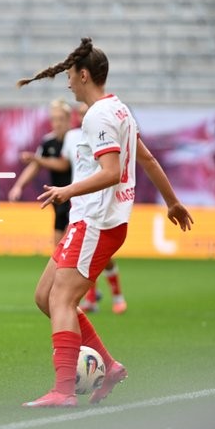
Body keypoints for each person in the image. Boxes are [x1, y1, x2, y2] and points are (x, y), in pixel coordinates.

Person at [16, 37, 192, 407]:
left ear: (83, 75)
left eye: (69, 76)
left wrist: (68, 190)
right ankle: (109, 367)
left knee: (61, 299)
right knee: (44, 298)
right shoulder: (120, 110)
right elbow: (146, 160)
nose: (67, 83)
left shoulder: (98, 115)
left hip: (95, 222)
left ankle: (63, 391)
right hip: (92, 220)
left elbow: (112, 172)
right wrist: (172, 202)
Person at [65, 103, 126, 314]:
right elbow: (67, 165)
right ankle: (91, 297)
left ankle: (117, 294)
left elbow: (111, 171)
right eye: (79, 113)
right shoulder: (71, 137)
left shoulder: (102, 128)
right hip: (76, 204)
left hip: (98, 204)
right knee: (74, 261)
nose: (82, 116)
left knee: (101, 258)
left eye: (85, 112)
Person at [8, 98, 73, 245]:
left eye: (61, 119)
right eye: (54, 119)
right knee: (60, 248)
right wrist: (18, 186)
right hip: (58, 198)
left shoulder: (75, 139)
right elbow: (34, 167)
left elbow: (63, 165)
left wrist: (36, 159)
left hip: (76, 198)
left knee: (71, 246)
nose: (57, 123)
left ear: (69, 119)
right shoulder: (48, 141)